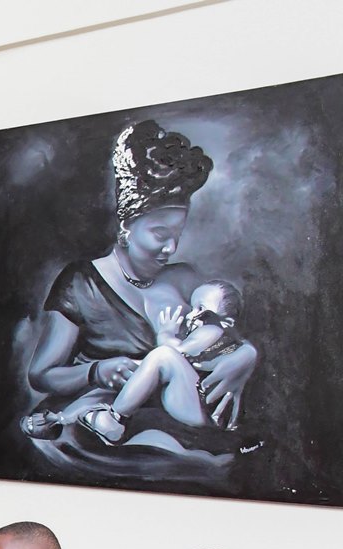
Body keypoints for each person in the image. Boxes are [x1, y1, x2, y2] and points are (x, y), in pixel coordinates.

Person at [20, 120, 258, 453]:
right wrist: (96, 371)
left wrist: (247, 355)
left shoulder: (186, 277)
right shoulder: (81, 282)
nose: (171, 248)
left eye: (178, 235)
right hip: (105, 426)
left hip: (184, 424)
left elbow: (220, 331)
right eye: (160, 235)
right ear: (127, 226)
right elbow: (42, 375)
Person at [78, 281, 248, 446]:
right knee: (152, 364)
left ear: (226, 322)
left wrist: (165, 333)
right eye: (193, 307)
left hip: (204, 412)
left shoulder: (213, 330)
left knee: (163, 356)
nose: (190, 315)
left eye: (201, 309)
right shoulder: (219, 341)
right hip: (203, 408)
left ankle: (114, 421)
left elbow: (178, 351)